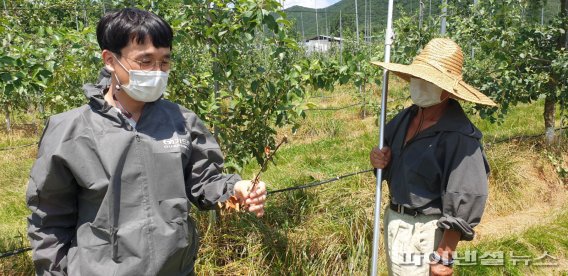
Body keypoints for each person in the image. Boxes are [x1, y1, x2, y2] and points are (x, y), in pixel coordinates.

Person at [26, 8, 266, 275]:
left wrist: (236, 187)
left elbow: (203, 182)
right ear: (109, 59)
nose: (157, 71)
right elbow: (49, 219)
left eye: (164, 62)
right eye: (145, 61)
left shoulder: (181, 121)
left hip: (175, 269)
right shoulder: (70, 131)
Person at [369, 38, 496, 276]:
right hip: (395, 221)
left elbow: (467, 194)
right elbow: (386, 154)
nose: (420, 84)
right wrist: (378, 159)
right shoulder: (406, 118)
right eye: (418, 77)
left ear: (447, 90)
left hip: (426, 232)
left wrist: (445, 254)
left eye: (429, 80)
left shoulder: (459, 136)